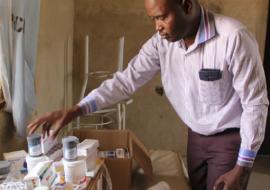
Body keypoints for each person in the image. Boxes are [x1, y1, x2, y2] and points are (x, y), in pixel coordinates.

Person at [28, 0, 269, 189]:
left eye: (162, 17)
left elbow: (256, 103)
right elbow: (125, 81)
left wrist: (243, 166)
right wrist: (74, 111)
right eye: (153, 19)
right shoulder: (161, 43)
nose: (158, 27)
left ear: (186, 5)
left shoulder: (233, 38)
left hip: (230, 139)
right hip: (196, 136)